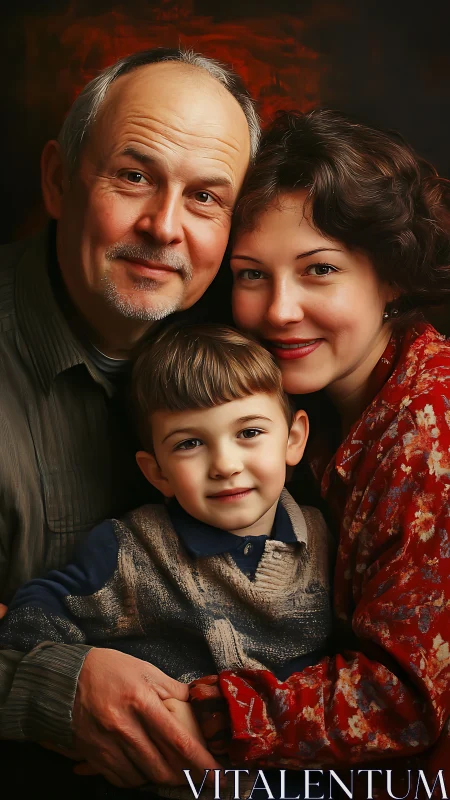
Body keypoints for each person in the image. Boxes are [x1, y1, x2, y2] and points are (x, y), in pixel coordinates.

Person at [0, 48, 258, 790]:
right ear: (57, 180)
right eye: (134, 176)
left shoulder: (260, 341)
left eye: (206, 196)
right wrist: (59, 684)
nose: (165, 226)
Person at [188, 110, 450, 790]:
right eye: (251, 275)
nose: (278, 310)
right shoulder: (323, 414)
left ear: (390, 277)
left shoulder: (431, 421)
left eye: (319, 270)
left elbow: (406, 703)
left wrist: (200, 714)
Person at [0, 324, 333, 800]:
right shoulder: (131, 548)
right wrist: (76, 668)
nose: (225, 463)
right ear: (156, 470)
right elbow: (42, 605)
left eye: (250, 432)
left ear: (294, 439)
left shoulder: (323, 538)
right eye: (189, 444)